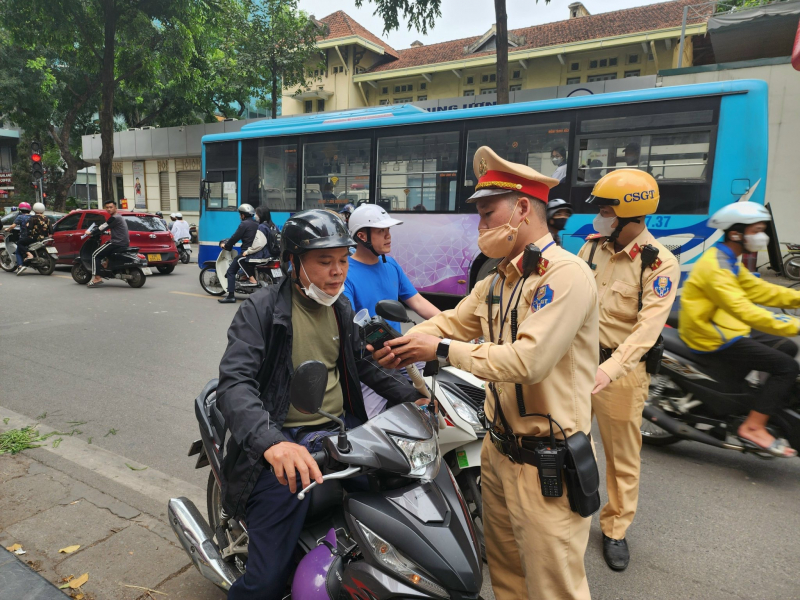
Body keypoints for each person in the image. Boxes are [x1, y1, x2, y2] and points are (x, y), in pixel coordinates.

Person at [369, 146, 599, 600]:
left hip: (547, 459)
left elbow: (527, 361)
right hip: (497, 452)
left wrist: (439, 350)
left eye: (488, 213)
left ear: (522, 208)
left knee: (554, 586)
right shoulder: (497, 279)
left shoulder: (564, 276)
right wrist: (404, 346)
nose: (481, 226)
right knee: (507, 577)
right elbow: (450, 322)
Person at [216, 209, 422, 600]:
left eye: (343, 260)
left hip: (339, 432)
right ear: (293, 262)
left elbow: (361, 363)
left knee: (395, 504)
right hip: (281, 439)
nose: (337, 271)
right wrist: (272, 443)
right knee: (266, 581)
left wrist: (416, 397)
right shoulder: (262, 309)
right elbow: (235, 383)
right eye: (324, 261)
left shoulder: (339, 307)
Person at [576, 169, 680, 572]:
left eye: (606, 210)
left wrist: (610, 369)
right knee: (569, 440)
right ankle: (571, 512)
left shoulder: (659, 263)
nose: (599, 217)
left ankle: (615, 528)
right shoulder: (591, 249)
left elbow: (647, 331)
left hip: (621, 373)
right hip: (578, 364)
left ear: (629, 214)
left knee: (622, 456)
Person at [679, 201, 800, 458]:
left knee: (787, 347)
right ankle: (753, 426)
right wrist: (795, 325)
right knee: (787, 367)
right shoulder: (716, 267)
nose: (762, 237)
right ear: (735, 234)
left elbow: (760, 290)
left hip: (726, 325)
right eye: (757, 230)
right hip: (711, 335)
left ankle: (762, 402)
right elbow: (745, 310)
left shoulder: (728, 259)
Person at [344, 203, 441, 417]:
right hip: (374, 363)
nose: (388, 236)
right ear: (362, 236)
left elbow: (418, 302)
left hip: (402, 351)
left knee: (435, 406)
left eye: (388, 230)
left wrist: (454, 324)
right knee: (375, 423)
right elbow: (350, 325)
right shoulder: (346, 273)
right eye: (381, 231)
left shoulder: (391, 265)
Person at [218, 204, 259, 304]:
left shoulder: (244, 224)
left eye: (240, 214)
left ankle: (231, 296)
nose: (240, 216)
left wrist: (226, 245)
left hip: (246, 252)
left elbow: (235, 237)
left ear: (243, 215)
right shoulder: (256, 223)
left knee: (231, 272)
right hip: (256, 252)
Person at [89, 200, 130, 288]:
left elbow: (103, 226)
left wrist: (91, 232)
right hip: (124, 242)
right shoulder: (119, 217)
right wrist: (107, 233)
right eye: (107, 207)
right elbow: (115, 230)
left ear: (115, 208)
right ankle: (106, 264)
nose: (109, 209)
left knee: (95, 255)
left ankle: (97, 278)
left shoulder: (114, 218)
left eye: (111, 207)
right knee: (107, 247)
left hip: (117, 242)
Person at [16, 202, 52, 274]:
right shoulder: (47, 218)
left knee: (19, 243)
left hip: (34, 238)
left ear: (34, 209)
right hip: (44, 238)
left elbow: (29, 229)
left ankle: (29, 254)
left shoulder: (32, 218)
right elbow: (51, 230)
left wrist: (27, 226)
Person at [4, 202, 32, 273]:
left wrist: (8, 229)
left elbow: (13, 226)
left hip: (24, 237)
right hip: (33, 236)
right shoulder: (32, 217)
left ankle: (20, 266)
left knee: (18, 251)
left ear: (20, 210)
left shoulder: (20, 217)